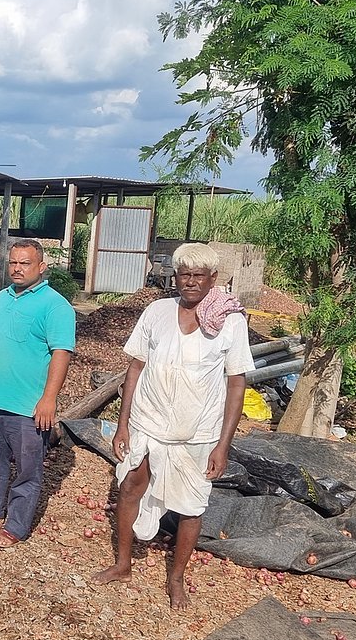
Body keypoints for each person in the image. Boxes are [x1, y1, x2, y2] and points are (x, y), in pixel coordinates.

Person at [93, 242, 254, 608]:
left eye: (199, 276)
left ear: (213, 279)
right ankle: (122, 563)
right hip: (148, 422)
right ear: (175, 276)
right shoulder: (157, 311)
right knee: (131, 484)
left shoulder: (228, 321)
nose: (191, 282)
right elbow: (135, 367)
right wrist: (123, 424)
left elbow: (235, 384)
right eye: (184, 274)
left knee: (192, 505)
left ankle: (176, 578)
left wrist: (223, 445)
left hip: (196, 432)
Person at [0, 239, 76, 548]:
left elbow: (61, 353)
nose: (17, 268)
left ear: (41, 267)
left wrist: (49, 399)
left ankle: (16, 525)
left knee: (27, 468)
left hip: (26, 406)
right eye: (13, 262)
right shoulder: (1, 298)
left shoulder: (55, 306)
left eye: (24, 263)